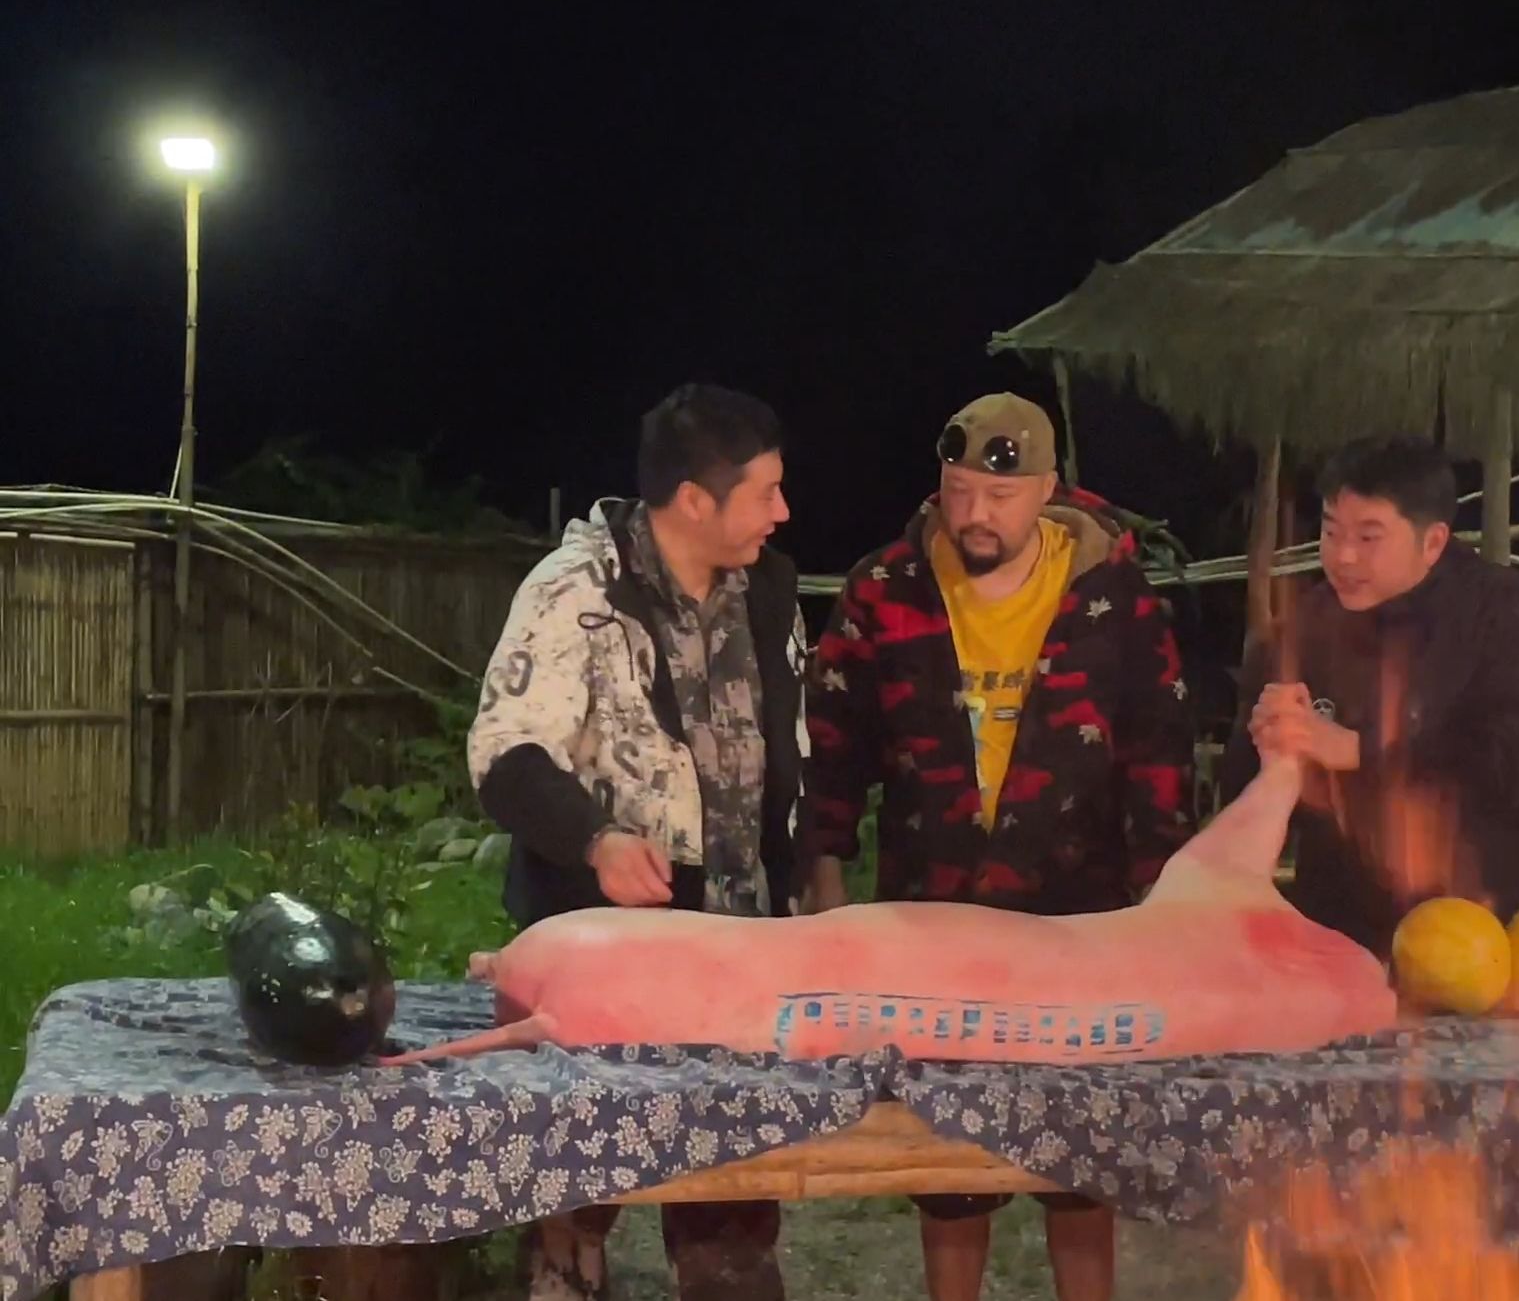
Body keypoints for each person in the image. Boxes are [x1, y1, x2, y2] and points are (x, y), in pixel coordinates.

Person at [798, 391, 1195, 1301]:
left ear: (1048, 492)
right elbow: (831, 745)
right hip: (932, 916)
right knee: (948, 1170)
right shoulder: (884, 589)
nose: (975, 514)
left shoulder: (1112, 594)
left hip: (1078, 918)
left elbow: (1159, 751)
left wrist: (1165, 904)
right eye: (958, 491)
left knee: (1082, 1164)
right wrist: (824, 878)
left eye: (1000, 497)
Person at [468, 382, 807, 1301]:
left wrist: (807, 867)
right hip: (608, 954)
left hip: (740, 952)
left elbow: (788, 748)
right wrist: (598, 841)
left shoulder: (769, 588)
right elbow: (504, 754)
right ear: (695, 500)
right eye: (766, 492)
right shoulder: (576, 591)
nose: (783, 511)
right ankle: (567, 1256)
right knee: (585, 1176)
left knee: (733, 1206)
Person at [1219, 433, 1519, 959]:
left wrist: (1363, 752)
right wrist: (1266, 749)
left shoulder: (1506, 614)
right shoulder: (1303, 629)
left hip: (1485, 926)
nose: (1343, 556)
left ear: (1432, 542)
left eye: (1369, 537)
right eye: (1331, 531)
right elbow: (1244, 799)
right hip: (1340, 934)